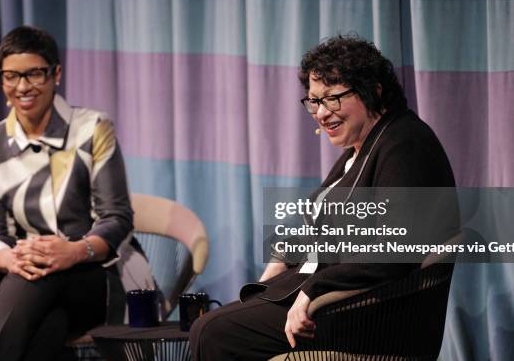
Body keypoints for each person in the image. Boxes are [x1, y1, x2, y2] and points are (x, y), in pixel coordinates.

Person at [189, 35, 459, 360]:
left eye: (332, 99)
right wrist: (284, 255)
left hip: (367, 314)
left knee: (214, 332)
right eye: (313, 101)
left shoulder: (405, 146)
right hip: (330, 298)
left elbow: (393, 250)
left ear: (373, 91)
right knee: (215, 324)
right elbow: (327, 226)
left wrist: (313, 290)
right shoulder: (361, 147)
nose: (319, 112)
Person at [0, 26, 152, 360]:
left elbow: (117, 218)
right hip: (30, 282)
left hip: (97, 272)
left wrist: (72, 251)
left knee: (39, 278)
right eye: (11, 76)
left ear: (56, 74)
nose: (22, 87)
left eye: (34, 74)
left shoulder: (92, 128)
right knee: (46, 324)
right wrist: (10, 258)